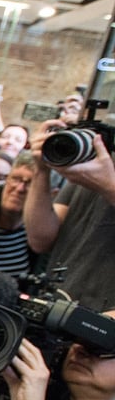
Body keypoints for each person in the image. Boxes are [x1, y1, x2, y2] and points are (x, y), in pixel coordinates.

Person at [23, 118, 115, 311]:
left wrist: (109, 188)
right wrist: (41, 168)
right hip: (58, 304)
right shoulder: (99, 160)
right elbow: (40, 239)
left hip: (104, 322)